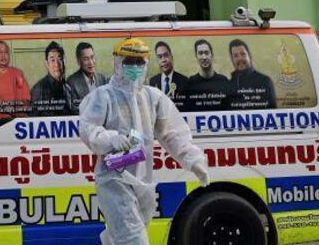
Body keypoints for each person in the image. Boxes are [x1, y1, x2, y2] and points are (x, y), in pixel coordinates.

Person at [80, 38, 210, 245]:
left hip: (144, 181)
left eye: (140, 62)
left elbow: (171, 133)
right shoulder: (102, 97)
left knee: (120, 236)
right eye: (129, 62)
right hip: (114, 179)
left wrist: (193, 160)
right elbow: (88, 128)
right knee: (132, 238)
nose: (135, 67)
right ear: (118, 63)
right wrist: (111, 139)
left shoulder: (153, 97)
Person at [0, 40, 32, 115]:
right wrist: (9, 109)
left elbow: (26, 97)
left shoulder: (17, 72)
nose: (3, 56)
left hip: (19, 116)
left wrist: (21, 108)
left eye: (6, 52)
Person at [182, 38, 231, 111]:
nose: (204, 57)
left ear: (212, 55)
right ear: (196, 56)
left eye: (206, 53)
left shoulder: (223, 81)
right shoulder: (190, 83)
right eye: (200, 53)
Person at [30, 41, 77, 116]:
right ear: (46, 63)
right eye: (52, 60)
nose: (57, 64)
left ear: (65, 61)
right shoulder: (39, 89)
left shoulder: (68, 87)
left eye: (60, 59)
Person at [228, 39, 277, 109]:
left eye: (243, 54)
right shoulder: (229, 84)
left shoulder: (265, 81)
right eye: (235, 56)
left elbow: (272, 110)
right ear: (232, 59)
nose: (240, 58)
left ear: (249, 56)